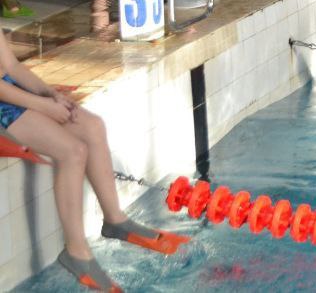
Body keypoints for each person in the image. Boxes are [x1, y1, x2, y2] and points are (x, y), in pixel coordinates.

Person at [0, 29, 189, 290]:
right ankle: (76, 252)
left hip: (8, 90)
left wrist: (49, 94)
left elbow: (10, 65)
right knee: (72, 151)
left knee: (93, 127)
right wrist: (43, 106)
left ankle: (115, 220)